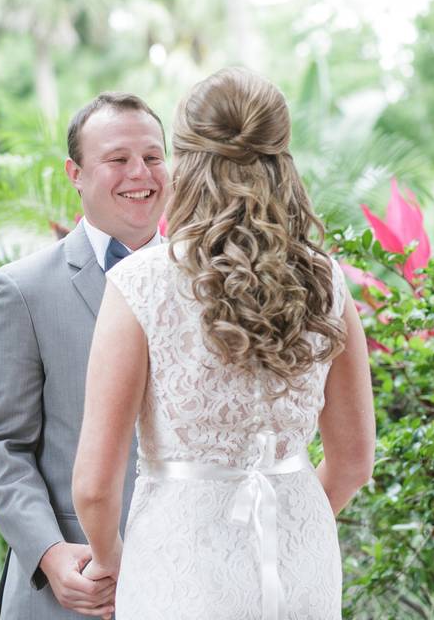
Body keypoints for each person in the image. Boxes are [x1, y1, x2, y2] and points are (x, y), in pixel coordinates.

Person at [72, 67, 376, 620]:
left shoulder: (143, 283)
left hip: (180, 567)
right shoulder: (325, 279)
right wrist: (294, 520)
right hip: (303, 566)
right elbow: (354, 461)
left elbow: (94, 488)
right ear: (282, 159)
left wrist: (118, 561)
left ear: (187, 161)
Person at [0, 92, 170, 619]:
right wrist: (52, 555)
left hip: (188, 576)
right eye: (117, 159)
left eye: (152, 157)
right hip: (76, 590)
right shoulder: (21, 290)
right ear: (75, 173)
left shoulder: (211, 285)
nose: (140, 173)